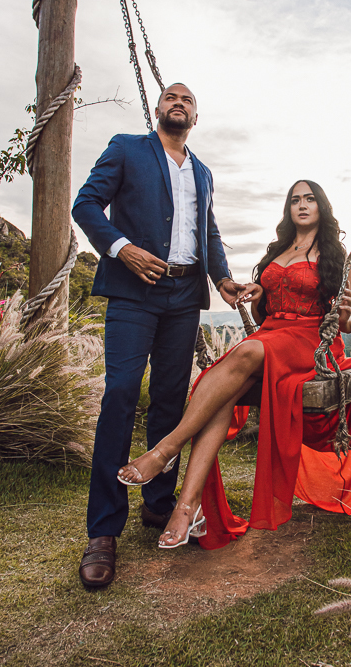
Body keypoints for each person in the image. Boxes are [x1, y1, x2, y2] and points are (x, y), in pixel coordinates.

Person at [119, 180, 351, 549]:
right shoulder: (278, 251)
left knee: (242, 355)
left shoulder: (336, 255)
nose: (302, 205)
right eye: (294, 200)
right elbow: (262, 314)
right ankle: (188, 507)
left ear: (322, 206)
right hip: (273, 335)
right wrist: (258, 296)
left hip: (311, 342)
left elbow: (347, 323)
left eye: (309, 199)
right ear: (288, 209)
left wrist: (347, 316)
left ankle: (165, 450)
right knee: (219, 390)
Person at [71, 83, 247, 589]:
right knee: (121, 396)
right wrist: (120, 247)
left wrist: (223, 277)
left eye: (188, 100)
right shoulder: (127, 147)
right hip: (133, 293)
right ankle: (103, 531)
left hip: (183, 298)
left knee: (172, 400)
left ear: (196, 115)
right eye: (171, 96)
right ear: (158, 109)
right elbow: (86, 205)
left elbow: (206, 233)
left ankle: (158, 505)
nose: (179, 103)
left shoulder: (204, 172)